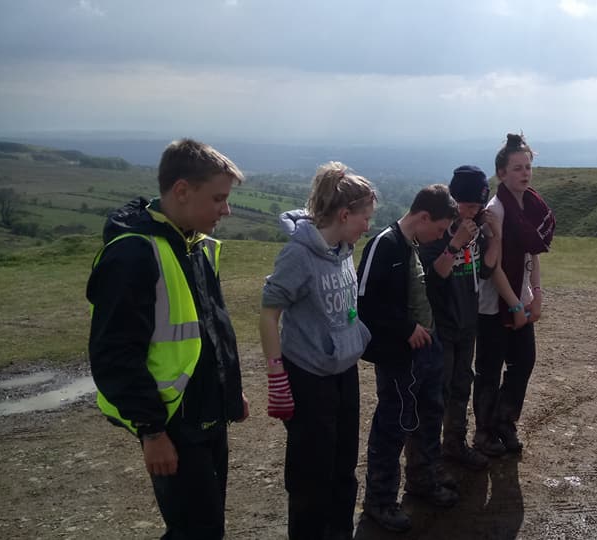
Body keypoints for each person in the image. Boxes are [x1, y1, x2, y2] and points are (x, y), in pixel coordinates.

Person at [87, 138, 249, 539]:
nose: (226, 210)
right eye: (218, 198)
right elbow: (114, 353)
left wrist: (229, 390)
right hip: (174, 422)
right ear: (181, 190)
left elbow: (209, 328)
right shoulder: (133, 254)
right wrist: (152, 431)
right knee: (196, 530)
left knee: (206, 526)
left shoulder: (193, 244)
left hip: (207, 413)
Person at [258, 162, 375, 539]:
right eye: (365, 218)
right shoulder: (298, 255)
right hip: (308, 379)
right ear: (344, 215)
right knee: (311, 474)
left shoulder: (345, 249)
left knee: (343, 465)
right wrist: (277, 376)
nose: (368, 226)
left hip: (343, 373)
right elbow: (268, 314)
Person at [356, 184, 461, 532]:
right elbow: (364, 300)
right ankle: (380, 501)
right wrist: (404, 328)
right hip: (398, 356)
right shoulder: (384, 245)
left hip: (424, 351)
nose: (442, 235)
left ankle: (423, 480)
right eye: (441, 227)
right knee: (393, 426)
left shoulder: (414, 245)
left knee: (429, 416)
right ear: (424, 216)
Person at [473, 133, 555, 456]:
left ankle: (504, 421)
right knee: (490, 369)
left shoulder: (530, 204)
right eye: (517, 168)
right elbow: (493, 268)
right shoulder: (496, 210)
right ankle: (484, 434)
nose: (525, 173)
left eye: (528, 167)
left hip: (520, 297)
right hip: (494, 305)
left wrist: (536, 293)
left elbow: (532, 253)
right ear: (501, 173)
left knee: (524, 361)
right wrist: (516, 304)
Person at [418, 166, 501, 471]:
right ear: (453, 200)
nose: (473, 211)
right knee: (437, 391)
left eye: (478, 206)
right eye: (467, 205)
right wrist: (455, 244)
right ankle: (430, 459)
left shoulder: (475, 230)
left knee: (461, 386)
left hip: (468, 323)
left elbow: (486, 270)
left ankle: (454, 444)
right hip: (442, 325)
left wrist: (496, 237)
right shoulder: (436, 233)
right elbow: (433, 277)